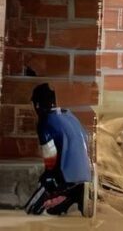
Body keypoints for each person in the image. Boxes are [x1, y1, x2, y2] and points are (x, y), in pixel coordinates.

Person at [25, 83, 92, 216]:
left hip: (65, 176)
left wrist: (48, 177)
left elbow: (50, 155)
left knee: (31, 210)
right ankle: (76, 194)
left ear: (38, 105)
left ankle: (66, 193)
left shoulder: (45, 122)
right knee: (54, 209)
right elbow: (86, 138)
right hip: (85, 174)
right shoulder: (70, 116)